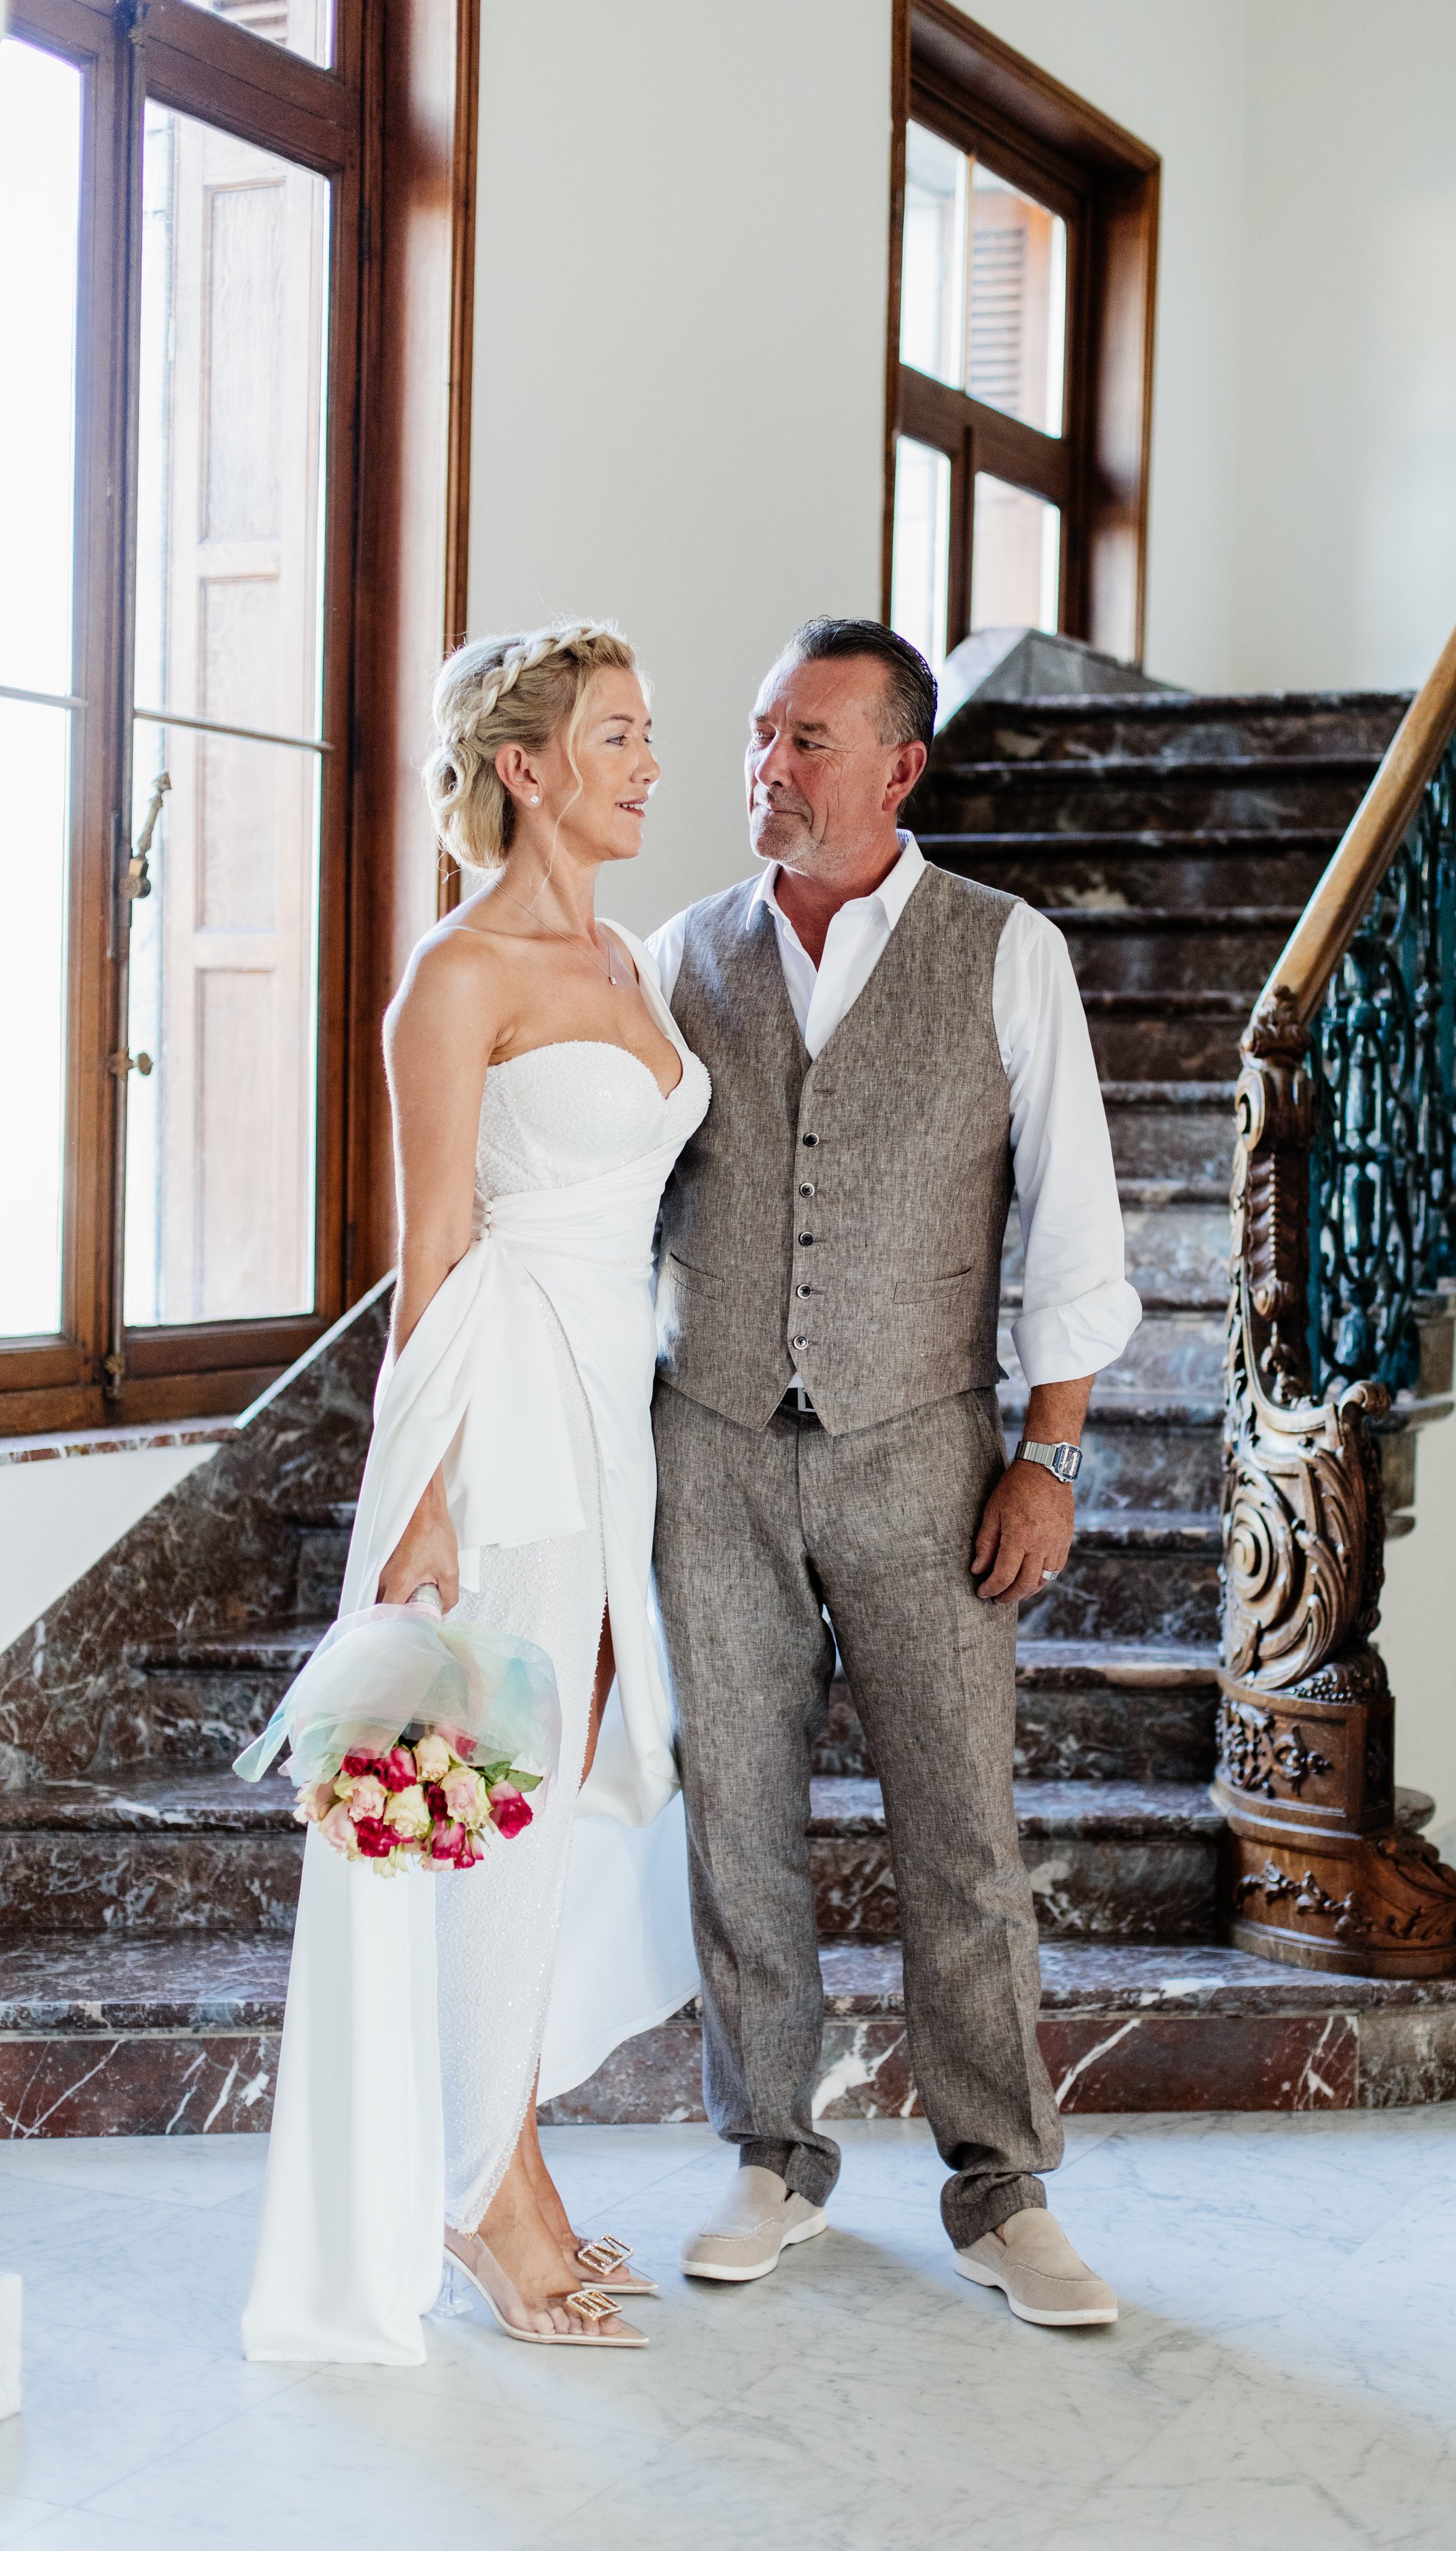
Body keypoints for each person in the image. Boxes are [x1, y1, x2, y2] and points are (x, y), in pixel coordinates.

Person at [647, 618, 1140, 2331]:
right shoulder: (676, 956)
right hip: (705, 1443)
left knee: (960, 1833)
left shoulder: (1004, 954)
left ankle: (999, 2188)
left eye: (805, 741)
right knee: (737, 1826)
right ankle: (772, 2149)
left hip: (925, 1449)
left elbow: (1072, 1220)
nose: (766, 769)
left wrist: (1047, 1454)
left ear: (898, 767)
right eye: (760, 733)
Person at [243, 621, 705, 2365]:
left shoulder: (634, 962)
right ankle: (485, 2197)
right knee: (495, 1801)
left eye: (648, 734)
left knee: (569, 1784)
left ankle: (503, 2156)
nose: (649, 764)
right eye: (616, 736)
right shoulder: (457, 975)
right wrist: (417, 1496)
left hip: (614, 1410)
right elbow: (432, 1247)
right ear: (524, 768)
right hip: (503, 1402)